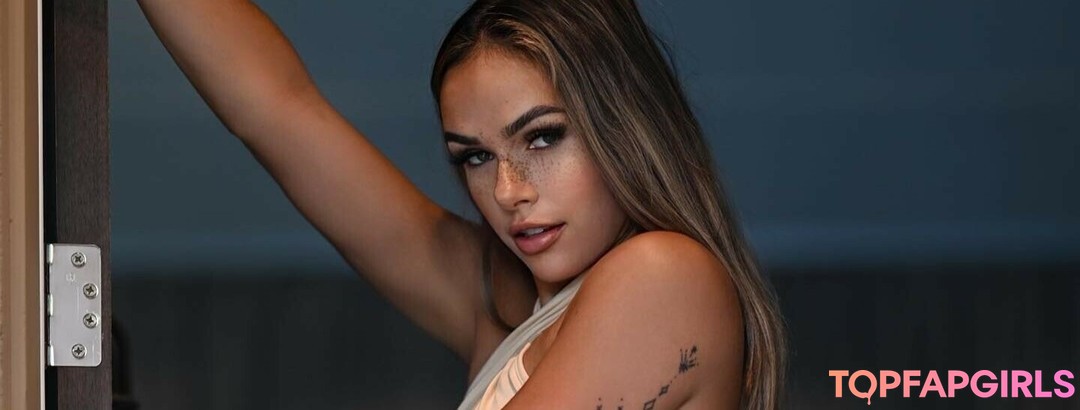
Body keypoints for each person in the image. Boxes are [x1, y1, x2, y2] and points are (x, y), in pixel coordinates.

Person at [136, 0, 787, 408]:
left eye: (542, 137)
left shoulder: (664, 275)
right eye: (475, 157)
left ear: (626, 125)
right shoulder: (508, 303)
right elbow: (278, 111)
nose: (507, 191)